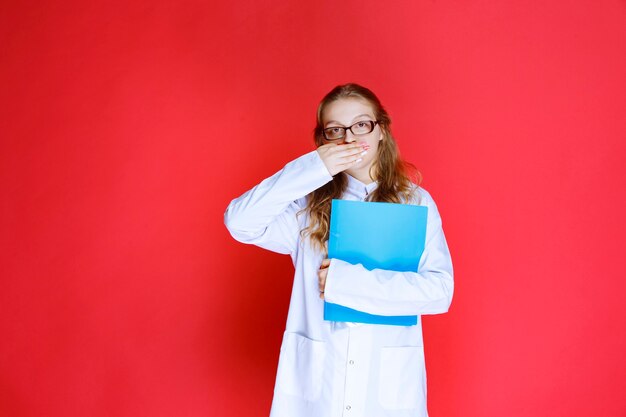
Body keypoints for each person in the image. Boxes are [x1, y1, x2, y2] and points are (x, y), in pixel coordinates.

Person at [224, 83, 453, 417]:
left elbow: (439, 291)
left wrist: (345, 282)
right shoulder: (306, 207)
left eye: (361, 125)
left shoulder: (415, 202)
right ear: (323, 142)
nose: (349, 139)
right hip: (319, 388)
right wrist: (313, 168)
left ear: (381, 131)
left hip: (385, 386)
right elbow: (239, 221)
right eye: (335, 131)